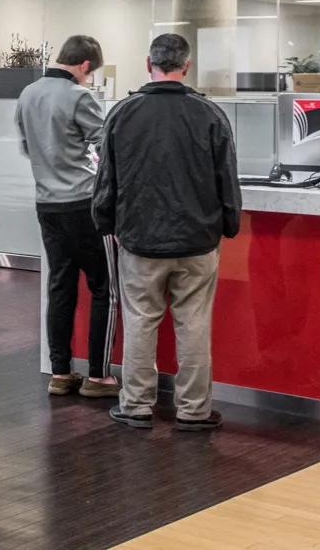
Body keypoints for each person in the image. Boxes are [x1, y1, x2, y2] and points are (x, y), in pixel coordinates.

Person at [93, 33, 241, 431]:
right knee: (193, 323)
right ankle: (194, 410)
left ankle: (137, 405)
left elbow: (106, 179)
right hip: (198, 239)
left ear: (148, 64)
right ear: (187, 66)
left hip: (139, 239)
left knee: (141, 320)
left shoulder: (122, 113)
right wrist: (228, 225)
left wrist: (108, 224)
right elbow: (227, 176)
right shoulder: (210, 114)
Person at [16, 35, 118, 399]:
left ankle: (60, 373)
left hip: (47, 204)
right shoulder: (79, 96)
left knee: (59, 286)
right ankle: (98, 376)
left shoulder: (27, 94)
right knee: (103, 287)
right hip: (83, 204)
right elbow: (106, 145)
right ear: (85, 66)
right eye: (91, 74)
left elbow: (28, 147)